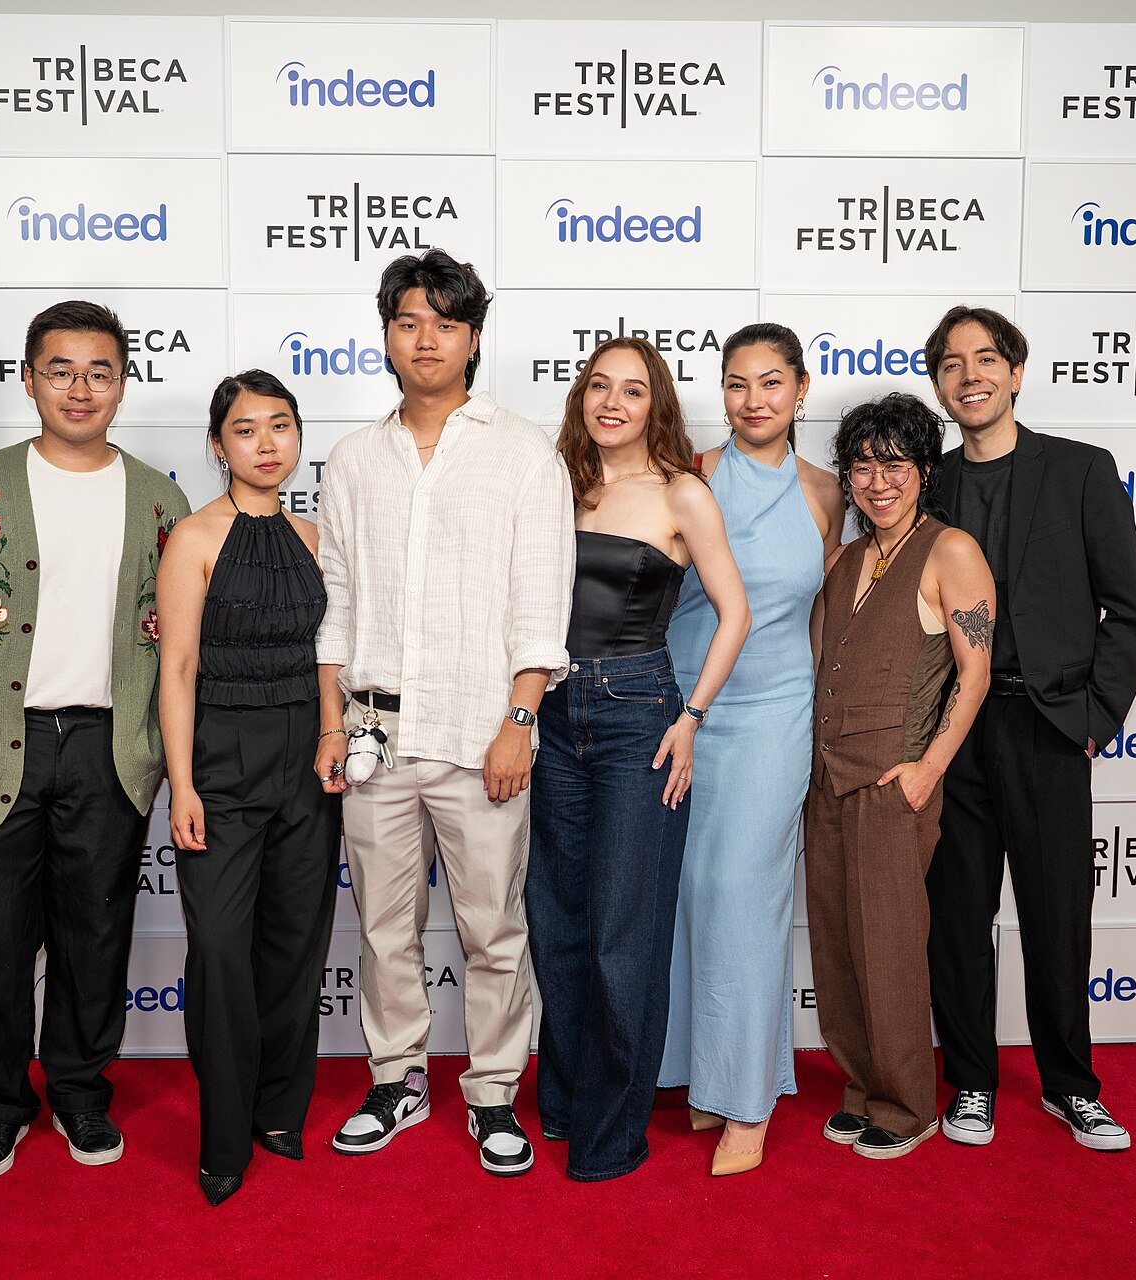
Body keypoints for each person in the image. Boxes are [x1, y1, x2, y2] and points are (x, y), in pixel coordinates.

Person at [0, 300, 190, 1181]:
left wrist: (157, 754)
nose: (80, 388)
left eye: (100, 371)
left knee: (95, 934)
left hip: (108, 752)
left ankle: (80, 1094)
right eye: (59, 369)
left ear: (123, 384)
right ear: (27, 379)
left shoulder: (160, 498)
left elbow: (179, 644)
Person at [314, 248, 574, 1178]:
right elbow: (335, 605)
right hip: (375, 738)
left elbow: (541, 604)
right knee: (383, 930)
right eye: (408, 322)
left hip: (481, 736)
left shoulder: (523, 453)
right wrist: (330, 725)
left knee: (493, 931)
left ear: (473, 338)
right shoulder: (350, 459)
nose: (426, 339)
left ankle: (496, 1091)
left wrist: (520, 719)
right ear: (386, 333)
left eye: (446, 323)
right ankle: (396, 1080)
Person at [921, 305, 1136, 1152]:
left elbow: (1126, 608)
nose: (970, 375)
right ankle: (972, 1081)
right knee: (957, 916)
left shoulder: (1083, 472)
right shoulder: (929, 484)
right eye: (951, 363)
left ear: (1016, 372)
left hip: (1051, 727)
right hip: (954, 733)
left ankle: (1071, 1086)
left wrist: (1097, 719)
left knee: (1058, 916)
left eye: (986, 359)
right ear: (940, 385)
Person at [527, 337, 749, 1182]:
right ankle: (567, 1100)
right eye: (598, 386)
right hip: (550, 716)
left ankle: (612, 1134)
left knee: (626, 934)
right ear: (581, 397)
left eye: (632, 390)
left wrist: (692, 716)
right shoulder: (554, 483)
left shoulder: (684, 494)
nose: (611, 402)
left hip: (639, 722)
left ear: (656, 405)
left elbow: (734, 615)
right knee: (557, 923)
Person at [659, 323, 844, 1176]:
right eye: (738, 384)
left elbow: (827, 616)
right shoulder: (688, 476)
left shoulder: (826, 492)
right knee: (692, 889)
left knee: (743, 890)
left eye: (772, 383)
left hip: (776, 711)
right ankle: (705, 1074)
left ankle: (746, 1102)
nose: (755, 400)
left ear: (801, 390)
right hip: (683, 711)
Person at [156, 370, 341, 1206]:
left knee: (295, 944)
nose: (266, 445)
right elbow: (179, 668)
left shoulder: (314, 535)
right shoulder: (193, 537)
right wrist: (183, 784)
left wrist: (333, 734)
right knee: (222, 950)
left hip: (306, 756)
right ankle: (224, 1133)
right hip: (222, 763)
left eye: (281, 427)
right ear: (217, 443)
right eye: (245, 430)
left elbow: (328, 655)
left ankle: (278, 1111)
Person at [806, 392, 994, 1160]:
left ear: (923, 469)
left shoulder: (949, 550)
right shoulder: (849, 556)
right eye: (861, 465)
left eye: (894, 464)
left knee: (888, 949)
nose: (877, 481)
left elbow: (974, 673)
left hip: (895, 783)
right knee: (839, 950)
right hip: (826, 780)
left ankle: (908, 1101)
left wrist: (928, 769)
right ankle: (861, 1088)